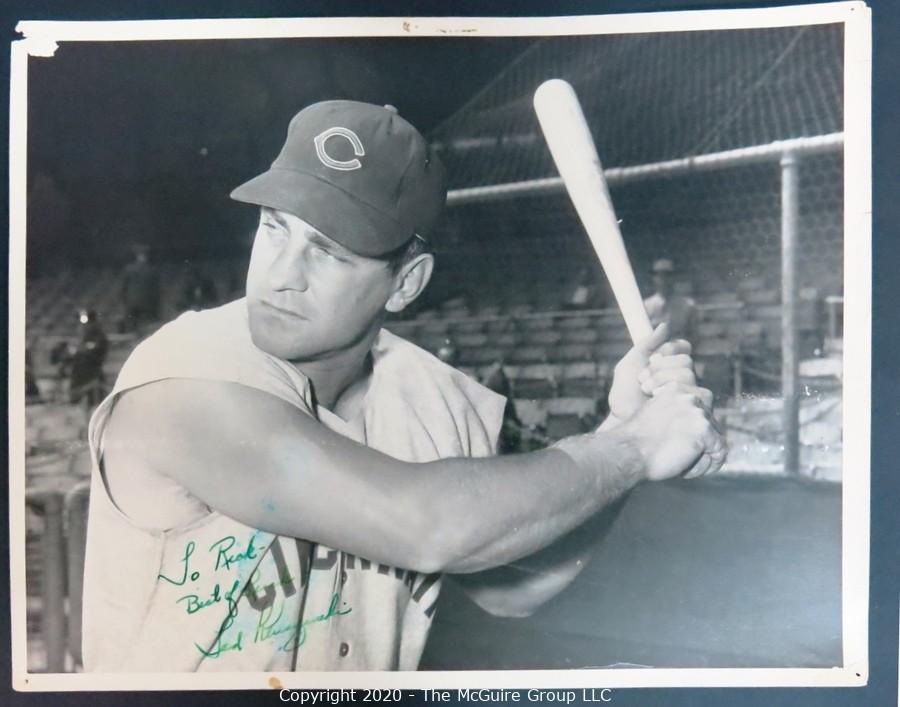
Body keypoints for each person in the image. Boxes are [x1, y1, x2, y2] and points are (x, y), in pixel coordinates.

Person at [82, 100, 725, 673]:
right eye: (273, 229)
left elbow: (514, 588)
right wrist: (636, 447)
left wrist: (621, 429)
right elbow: (424, 525)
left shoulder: (437, 400)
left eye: (328, 251)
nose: (282, 275)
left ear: (406, 283)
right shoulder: (183, 378)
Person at [643, 258, 698, 342]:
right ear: (653, 278)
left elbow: (693, 335)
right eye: (659, 275)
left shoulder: (688, 305)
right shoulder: (645, 306)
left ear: (674, 277)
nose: (663, 279)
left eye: (668, 275)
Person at [120, 243, 161, 332]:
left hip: (134, 303)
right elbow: (155, 291)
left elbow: (123, 288)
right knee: (144, 327)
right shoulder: (152, 270)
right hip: (145, 304)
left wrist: (125, 300)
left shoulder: (129, 269)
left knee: (134, 327)